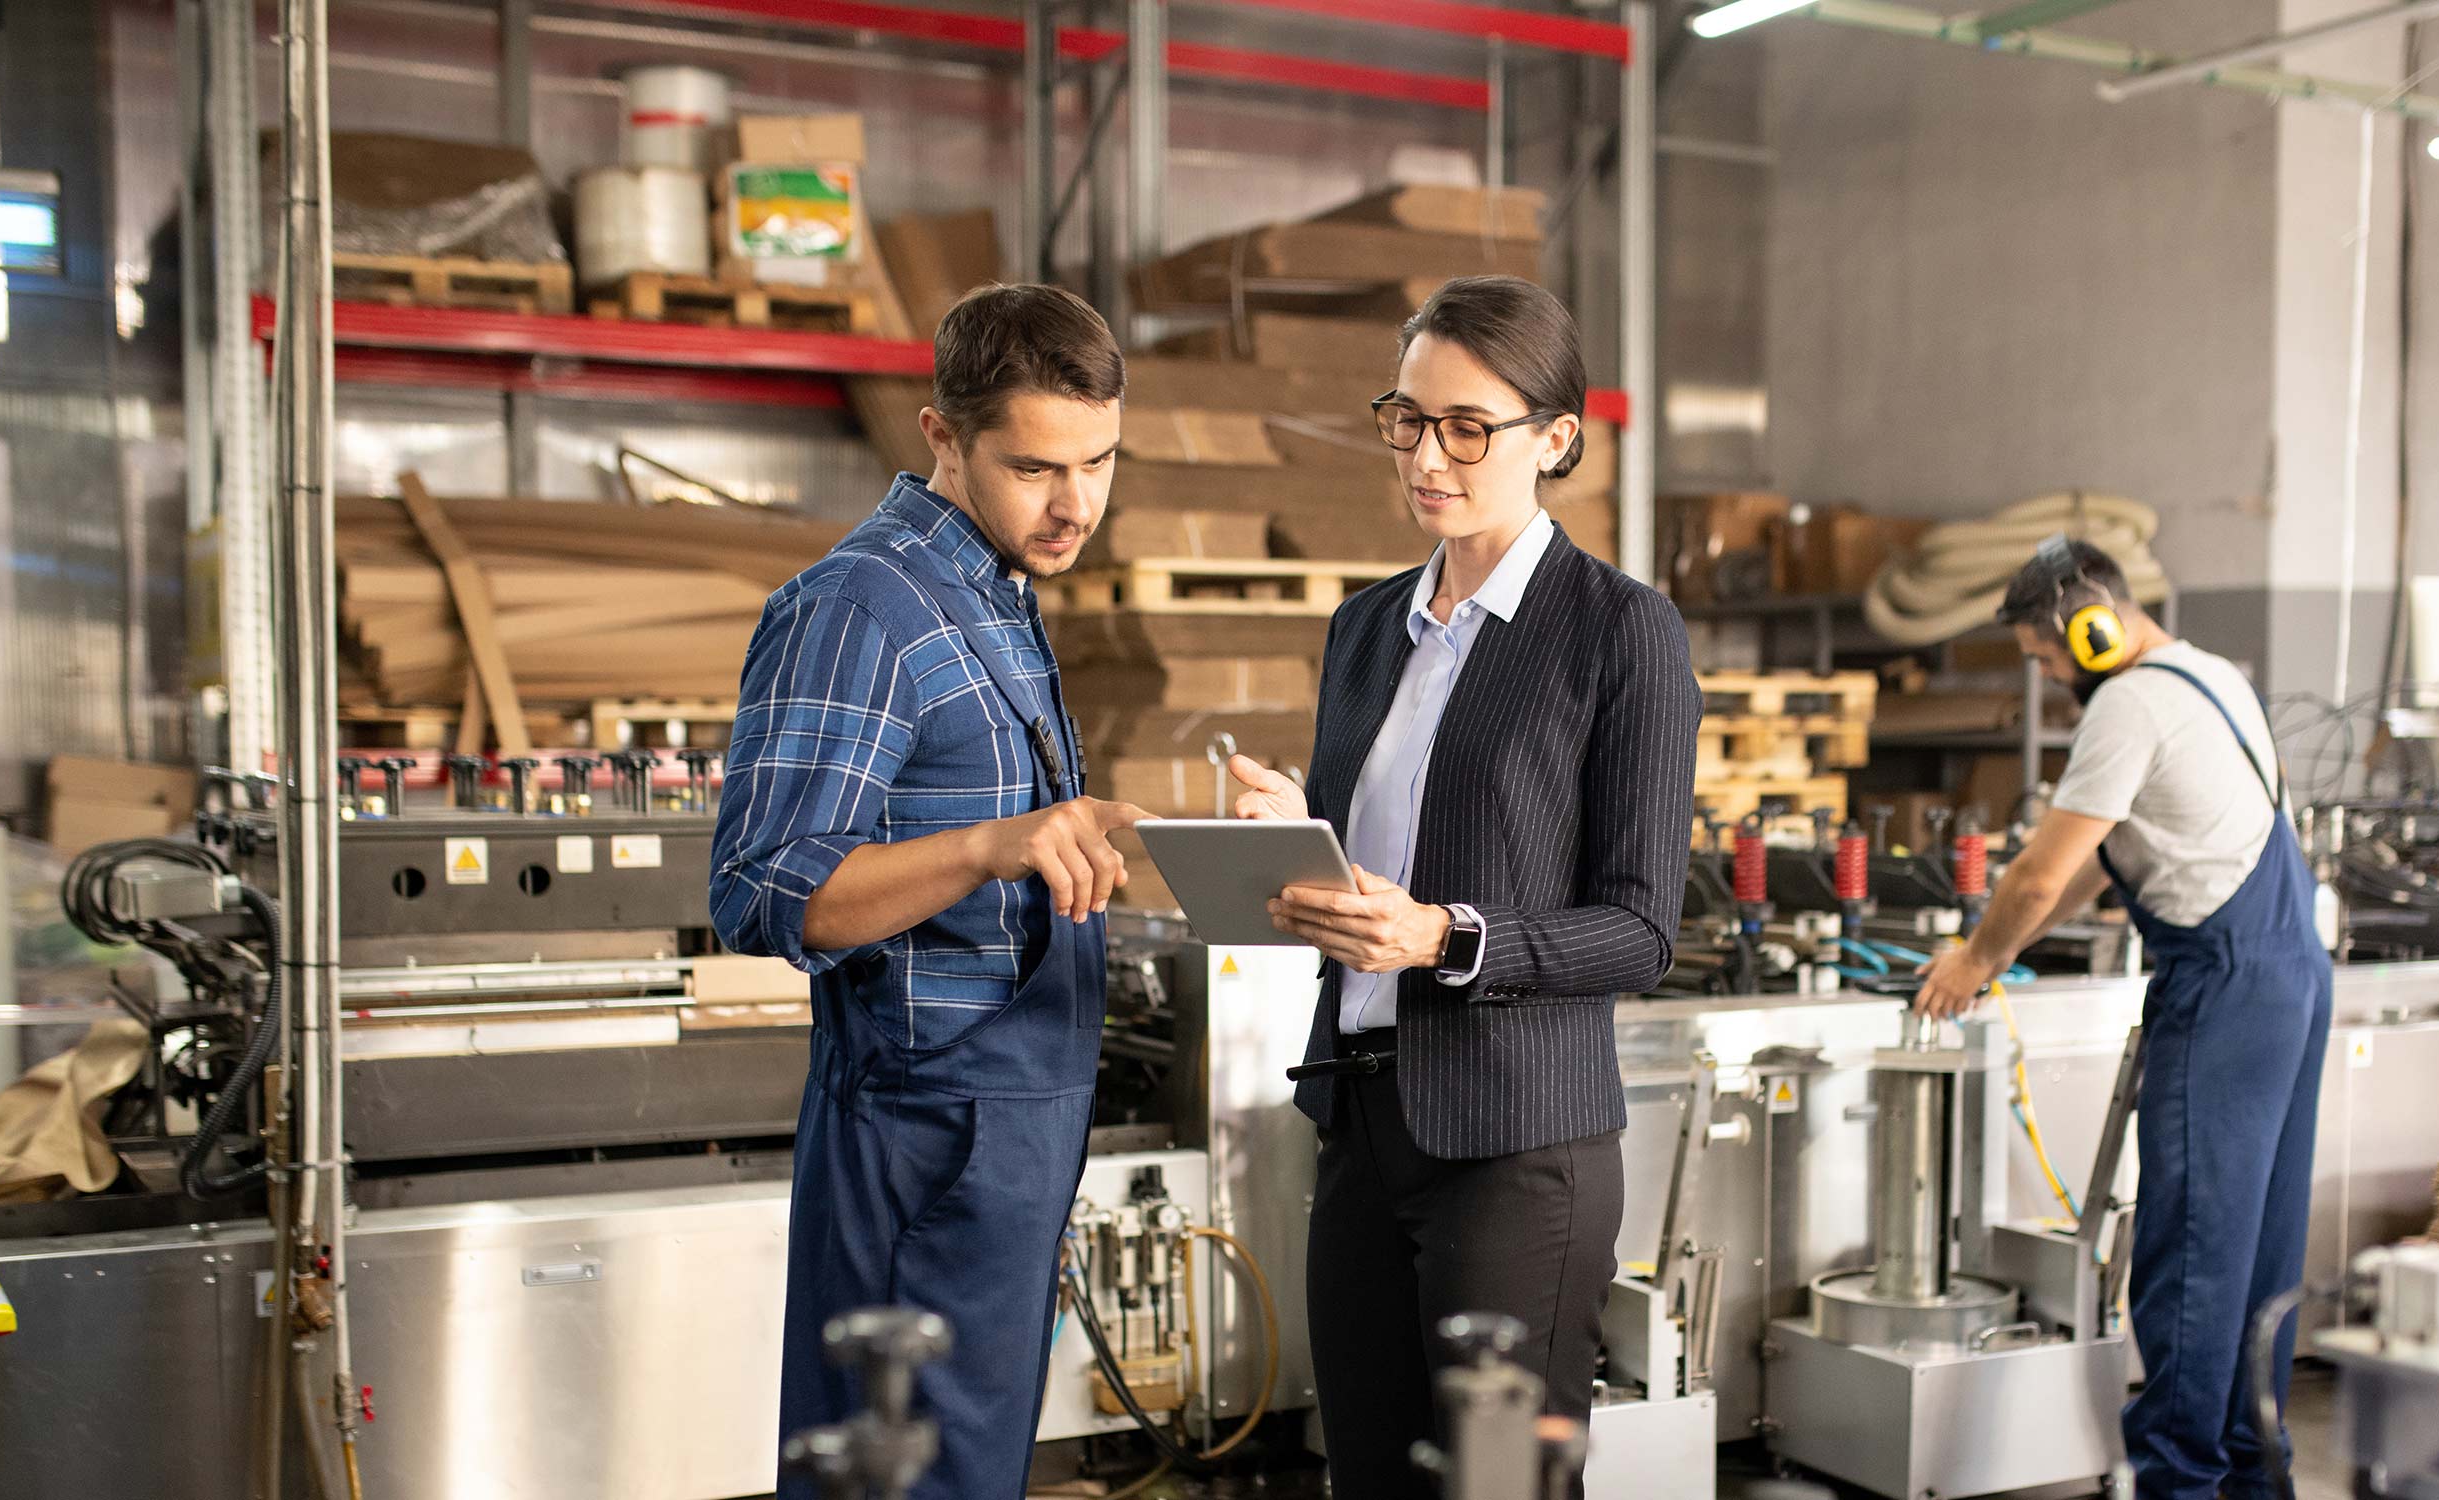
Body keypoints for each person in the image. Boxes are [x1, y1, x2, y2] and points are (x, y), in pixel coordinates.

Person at [1224, 275, 1699, 1499]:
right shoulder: (1367, 627)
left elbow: (1642, 929)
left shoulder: (1619, 633)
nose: (1429, 457)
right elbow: (1371, 866)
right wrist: (1295, 837)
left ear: (1556, 439)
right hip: (1362, 1123)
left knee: (1496, 1490)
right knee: (1371, 1478)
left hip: (1515, 1150)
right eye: (1409, 419)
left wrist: (1445, 936)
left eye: (1468, 428)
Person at [709, 283, 1149, 1500]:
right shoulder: (862, 608)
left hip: (1007, 1136)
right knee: (897, 1480)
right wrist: (988, 848)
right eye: (1037, 469)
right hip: (922, 1139)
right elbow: (763, 893)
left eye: (1101, 462)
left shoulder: (993, 595)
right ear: (941, 437)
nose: (1075, 505)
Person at [1913, 536, 2331, 1500]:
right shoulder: (2210, 677)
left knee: (2189, 1259)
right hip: (2290, 972)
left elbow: (2042, 871)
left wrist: (1976, 962)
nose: (2049, 676)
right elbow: (2100, 861)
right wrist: (2010, 936)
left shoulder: (2128, 704)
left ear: (2091, 629)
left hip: (2222, 987)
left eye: (2046, 656)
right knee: (2259, 1254)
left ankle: (2178, 1486)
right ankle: (2251, 1480)